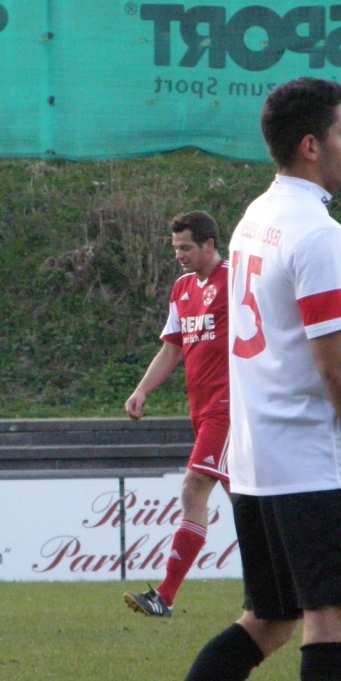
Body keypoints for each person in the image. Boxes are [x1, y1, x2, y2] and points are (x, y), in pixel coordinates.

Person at [147, 78, 341, 681]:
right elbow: (338, 366)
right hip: (314, 462)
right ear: (313, 145)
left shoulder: (255, 218)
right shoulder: (320, 236)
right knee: (331, 623)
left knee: (268, 620)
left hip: (257, 465)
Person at [123, 211, 229, 618]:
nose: (179, 255)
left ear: (209, 244)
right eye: (175, 248)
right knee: (253, 504)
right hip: (200, 409)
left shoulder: (237, 279)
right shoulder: (183, 288)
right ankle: (290, 582)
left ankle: (164, 596)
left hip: (229, 407)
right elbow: (172, 348)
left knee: (193, 487)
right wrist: (142, 390)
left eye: (186, 247)